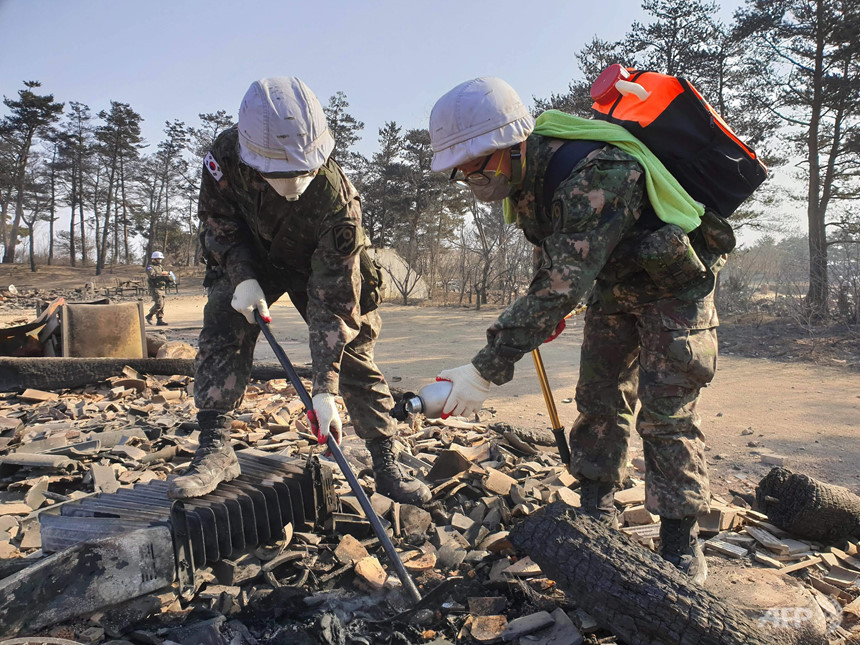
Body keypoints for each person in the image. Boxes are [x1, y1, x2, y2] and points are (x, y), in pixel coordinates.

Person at [427, 77, 737, 584]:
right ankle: (596, 509)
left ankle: (680, 540)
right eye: (458, 170)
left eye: (471, 165)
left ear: (507, 146)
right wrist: (546, 316)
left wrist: (485, 370)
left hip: (675, 290)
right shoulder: (531, 176)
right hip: (615, 286)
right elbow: (553, 262)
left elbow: (563, 283)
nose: (468, 178)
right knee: (599, 397)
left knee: (666, 415)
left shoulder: (599, 172)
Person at [168, 77, 431, 506]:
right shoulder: (224, 158)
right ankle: (216, 448)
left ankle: (386, 461)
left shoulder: (338, 203)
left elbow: (334, 301)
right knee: (222, 320)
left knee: (354, 351)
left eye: (304, 170)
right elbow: (218, 222)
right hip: (252, 256)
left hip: (315, 262)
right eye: (281, 172)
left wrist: (324, 389)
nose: (294, 183)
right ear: (254, 159)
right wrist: (240, 275)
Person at [145, 251, 174, 326]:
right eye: (159, 259)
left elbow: (164, 276)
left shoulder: (160, 267)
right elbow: (152, 275)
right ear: (155, 259)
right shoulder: (150, 267)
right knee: (159, 304)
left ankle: (160, 320)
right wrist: (162, 274)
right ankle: (149, 315)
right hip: (155, 288)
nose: (160, 260)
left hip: (162, 288)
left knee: (162, 305)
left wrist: (169, 278)